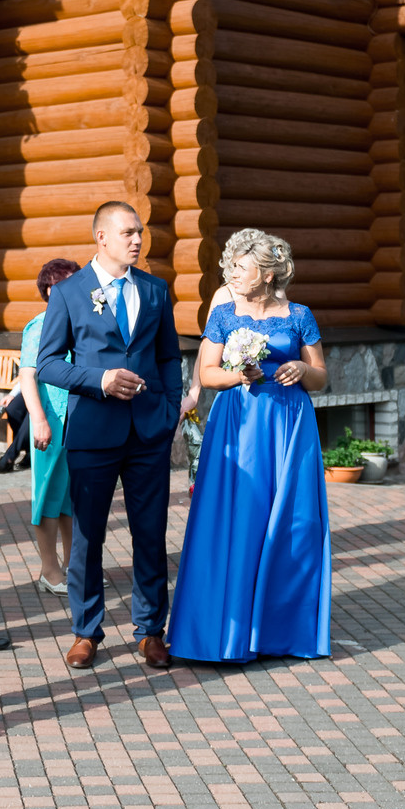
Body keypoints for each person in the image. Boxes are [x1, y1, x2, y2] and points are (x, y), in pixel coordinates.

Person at [171, 229, 332, 663]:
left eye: (239, 267)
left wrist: (300, 365)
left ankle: (280, 631)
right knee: (239, 516)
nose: (232, 274)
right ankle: (227, 631)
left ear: (266, 272)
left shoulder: (299, 314)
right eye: (230, 266)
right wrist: (240, 374)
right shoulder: (224, 312)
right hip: (238, 423)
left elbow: (321, 377)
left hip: (288, 425)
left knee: (291, 519)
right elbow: (207, 373)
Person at [36, 201, 183, 671]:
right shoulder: (70, 292)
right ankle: (86, 630)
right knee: (87, 536)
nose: (137, 240)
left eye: (139, 232)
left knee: (150, 533)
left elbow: (168, 358)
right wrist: (98, 381)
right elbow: (49, 363)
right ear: (101, 237)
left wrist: (170, 409)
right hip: (93, 430)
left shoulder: (156, 290)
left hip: (149, 431)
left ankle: (150, 630)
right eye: (127, 232)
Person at [17, 258, 85, 595]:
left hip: (81, 422)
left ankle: (77, 567)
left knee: (73, 499)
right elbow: (28, 376)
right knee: (47, 496)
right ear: (50, 290)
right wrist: (39, 421)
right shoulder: (40, 326)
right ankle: (49, 569)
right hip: (52, 423)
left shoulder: (83, 325)